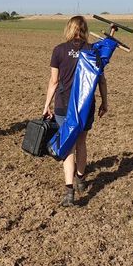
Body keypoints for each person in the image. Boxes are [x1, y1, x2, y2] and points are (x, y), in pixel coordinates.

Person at [43, 15, 108, 206]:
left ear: (69, 29)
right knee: (81, 143)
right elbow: (101, 80)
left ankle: (69, 190)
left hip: (64, 106)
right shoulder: (92, 51)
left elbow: (54, 81)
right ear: (85, 29)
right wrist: (105, 101)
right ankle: (80, 178)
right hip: (86, 106)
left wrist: (46, 104)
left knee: (68, 146)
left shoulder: (59, 51)